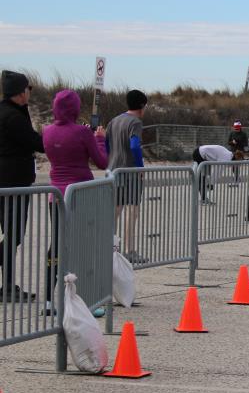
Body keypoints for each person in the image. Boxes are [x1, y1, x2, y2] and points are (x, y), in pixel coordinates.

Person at [42, 90, 108, 312]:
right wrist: (100, 139)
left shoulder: (47, 131)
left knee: (57, 246)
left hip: (56, 197)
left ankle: (49, 300)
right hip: (80, 195)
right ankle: (83, 300)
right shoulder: (82, 132)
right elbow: (102, 162)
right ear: (75, 108)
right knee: (83, 247)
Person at [0, 70, 44, 301]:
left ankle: (8, 285)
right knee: (14, 233)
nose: (29, 92)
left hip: (10, 181)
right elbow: (35, 141)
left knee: (12, 233)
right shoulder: (13, 117)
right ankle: (8, 286)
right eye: (28, 89)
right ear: (19, 92)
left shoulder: (11, 112)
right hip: (13, 182)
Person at [106, 89, 148, 264]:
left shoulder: (113, 121)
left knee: (115, 211)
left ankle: (111, 248)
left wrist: (111, 160)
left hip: (113, 170)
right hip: (130, 172)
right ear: (142, 105)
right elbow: (134, 145)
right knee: (132, 211)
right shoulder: (135, 122)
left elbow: (107, 145)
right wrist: (140, 167)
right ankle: (130, 250)